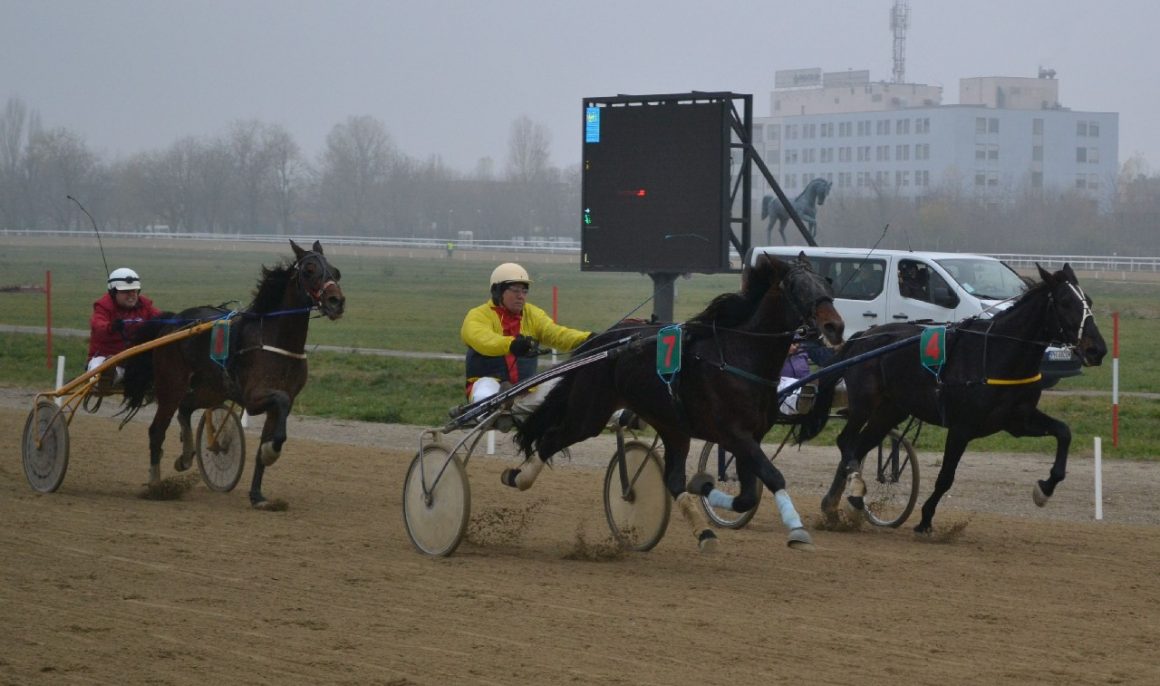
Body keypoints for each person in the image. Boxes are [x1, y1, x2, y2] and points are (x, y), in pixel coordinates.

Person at [460, 262, 591, 490]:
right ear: (498, 292)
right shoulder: (477, 316)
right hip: (487, 382)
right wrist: (511, 344)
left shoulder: (532, 314)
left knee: (568, 389)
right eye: (515, 290)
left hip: (526, 389)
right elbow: (481, 338)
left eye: (524, 290)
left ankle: (617, 416)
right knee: (487, 392)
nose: (521, 296)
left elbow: (557, 334)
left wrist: (588, 338)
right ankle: (497, 409)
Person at [87, 267, 162, 385]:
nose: (131, 295)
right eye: (126, 292)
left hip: (134, 359)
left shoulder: (145, 306)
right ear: (113, 293)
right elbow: (98, 326)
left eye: (134, 291)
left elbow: (161, 318)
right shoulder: (103, 307)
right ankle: (108, 377)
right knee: (100, 369)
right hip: (104, 357)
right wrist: (111, 327)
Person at [777, 340, 811, 415]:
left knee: (812, 384)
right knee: (788, 388)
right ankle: (802, 402)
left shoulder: (802, 349)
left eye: (796, 343)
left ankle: (808, 398)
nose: (795, 346)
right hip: (782, 380)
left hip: (805, 380)